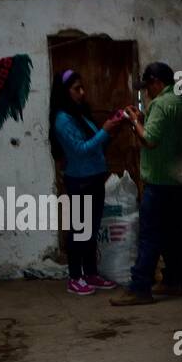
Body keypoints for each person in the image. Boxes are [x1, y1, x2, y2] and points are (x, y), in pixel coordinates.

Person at [110, 61, 182, 306]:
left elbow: (150, 139)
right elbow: (170, 134)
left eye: (148, 87)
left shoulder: (160, 104)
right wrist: (143, 118)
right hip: (180, 179)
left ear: (157, 83)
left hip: (158, 181)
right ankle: (173, 281)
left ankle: (139, 287)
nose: (146, 92)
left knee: (149, 236)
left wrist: (135, 122)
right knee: (173, 235)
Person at [49, 69, 124, 295]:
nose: (82, 93)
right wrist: (104, 131)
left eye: (82, 88)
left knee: (91, 229)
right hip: (79, 181)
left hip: (93, 178)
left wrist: (112, 126)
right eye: (76, 89)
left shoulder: (79, 115)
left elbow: (96, 144)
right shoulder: (62, 119)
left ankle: (90, 274)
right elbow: (81, 150)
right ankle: (75, 276)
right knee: (79, 230)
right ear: (65, 92)